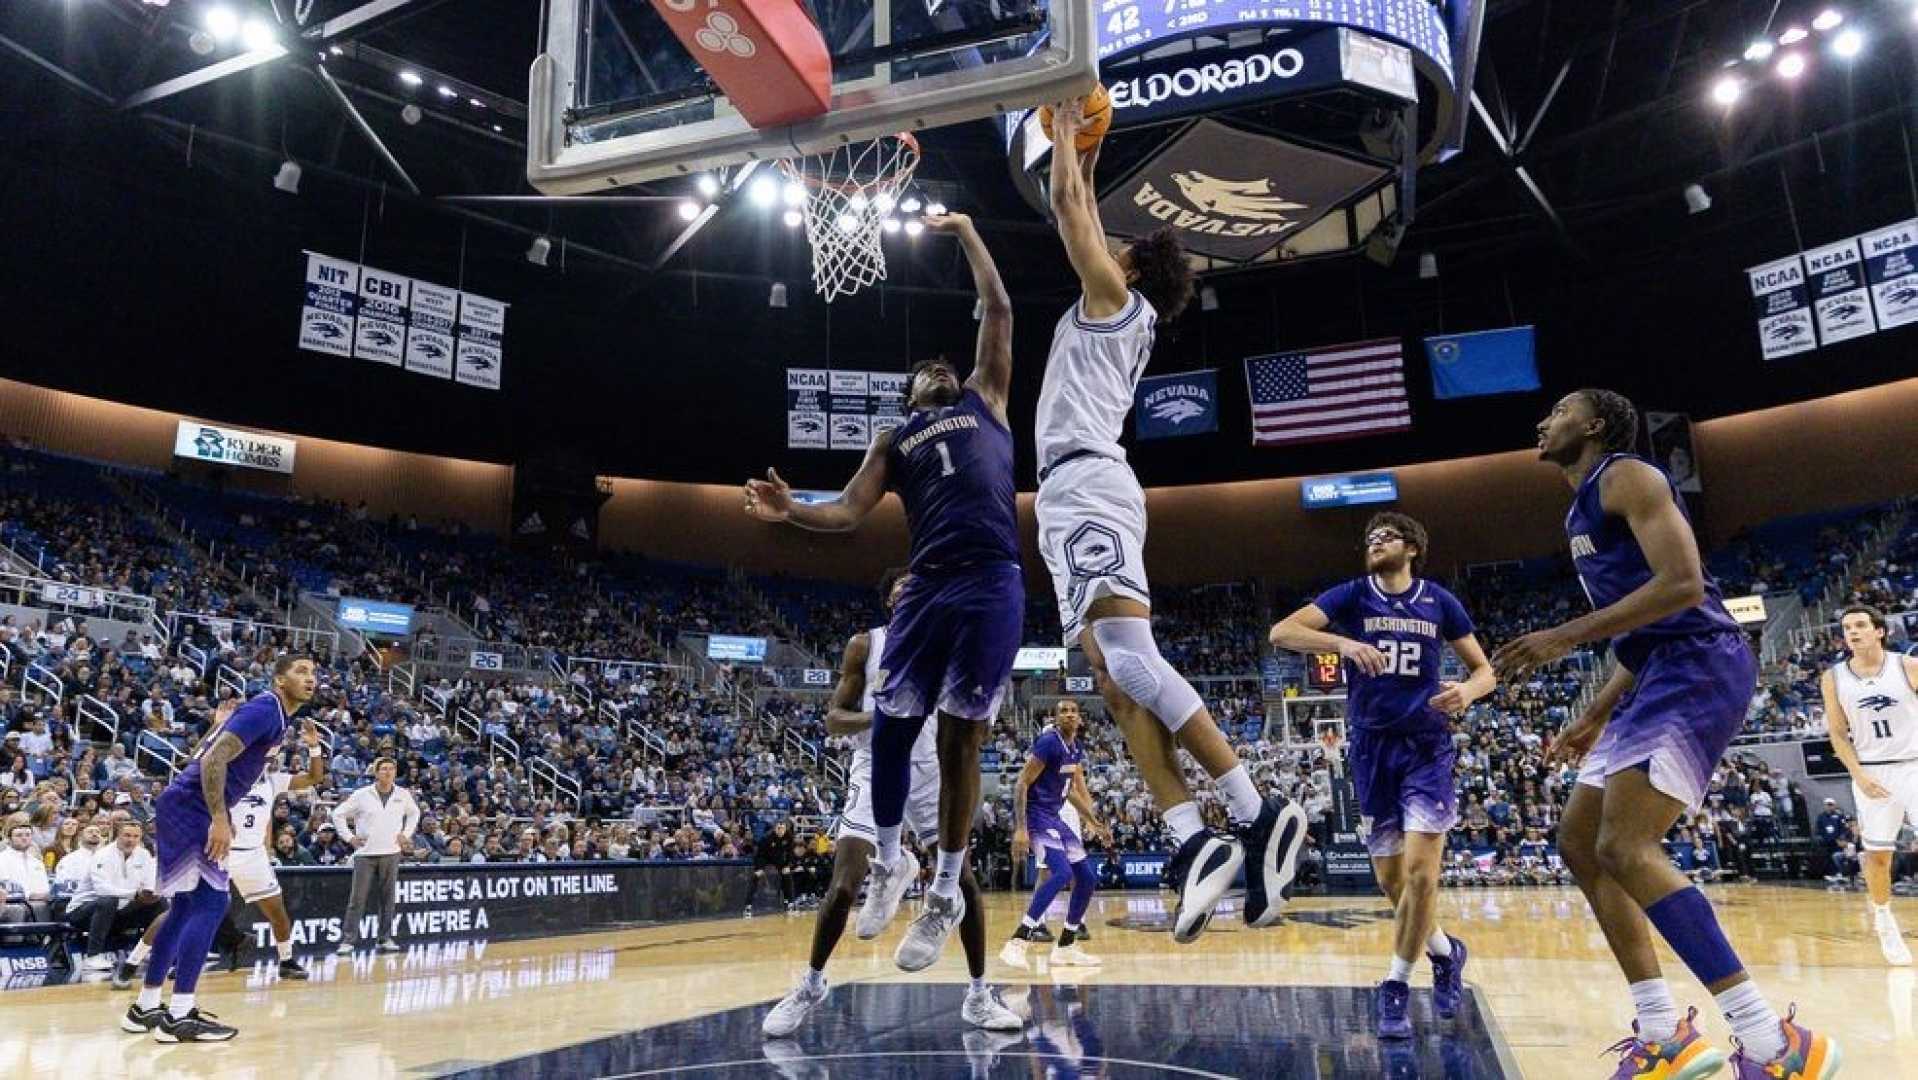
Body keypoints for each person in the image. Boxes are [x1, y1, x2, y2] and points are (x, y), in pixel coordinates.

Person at [1500, 390, 1836, 1079]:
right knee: (1579, 844)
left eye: (1560, 410)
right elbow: (1638, 632)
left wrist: (1564, 636)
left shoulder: (1627, 476)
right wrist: (1592, 717)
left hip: (1701, 663)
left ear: (1593, 425)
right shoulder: (1578, 508)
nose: (1544, 421)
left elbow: (1683, 586)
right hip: (1658, 669)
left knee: (1626, 844)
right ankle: (1664, 1033)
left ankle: (1774, 1043)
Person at [1034, 96, 1304, 942]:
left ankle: (1257, 811)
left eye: (1119, 251)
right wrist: (1076, 146)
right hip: (1067, 498)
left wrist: (1073, 148)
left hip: (1088, 486)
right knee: (1112, 685)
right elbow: (1073, 209)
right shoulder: (1117, 304)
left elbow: (1068, 211)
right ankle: (1194, 840)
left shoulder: (1116, 301)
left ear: (1134, 271)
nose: (1104, 247)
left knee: (1131, 660)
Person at [745, 211, 1022, 973]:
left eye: (945, 363)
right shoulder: (893, 441)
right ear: (909, 397)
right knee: (895, 723)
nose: (939, 367)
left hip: (993, 577)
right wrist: (790, 511)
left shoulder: (985, 400)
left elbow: (997, 309)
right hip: (929, 583)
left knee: (966, 734)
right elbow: (845, 512)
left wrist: (968, 230)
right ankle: (896, 862)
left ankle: (943, 892)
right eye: (925, 370)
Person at [762, 570, 1020, 1038]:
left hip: (929, 772)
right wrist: (887, 714)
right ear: (888, 603)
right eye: (900, 592)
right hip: (872, 763)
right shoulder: (865, 645)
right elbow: (835, 720)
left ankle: (980, 995)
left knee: (962, 881)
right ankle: (811, 984)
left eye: (916, 590)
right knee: (842, 887)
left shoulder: (948, 644)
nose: (908, 596)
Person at [1268, 511, 1495, 1037]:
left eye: (1387, 535)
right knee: (1392, 884)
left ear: (1413, 548)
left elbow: (1485, 669)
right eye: (1369, 537)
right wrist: (1342, 644)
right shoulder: (1351, 595)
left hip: (1426, 747)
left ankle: (1395, 984)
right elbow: (1282, 632)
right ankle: (1445, 952)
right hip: (1371, 750)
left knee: (1420, 876)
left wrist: (1468, 691)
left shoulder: (1441, 601)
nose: (1375, 541)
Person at [118, 654, 315, 1042]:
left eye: (313, 673)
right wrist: (220, 819)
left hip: (181, 804)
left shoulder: (277, 716)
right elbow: (213, 759)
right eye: (301, 671)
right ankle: (179, 1016)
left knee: (187, 906)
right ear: (279, 680)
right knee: (211, 904)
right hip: (195, 809)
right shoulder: (266, 708)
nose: (311, 679)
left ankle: (146, 1006)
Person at [1820, 604, 1918, 965]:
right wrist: (1858, 774)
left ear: (1879, 630)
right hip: (1871, 771)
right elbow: (1836, 732)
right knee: (1878, 856)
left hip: (1913, 765)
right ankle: (1884, 921)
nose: (1853, 632)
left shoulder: (1906, 666)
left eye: (1861, 625)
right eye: (1847, 628)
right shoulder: (1833, 678)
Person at [1002, 700, 1109, 969]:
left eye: (1073, 710)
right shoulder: (1049, 743)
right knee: (1061, 873)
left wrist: (1094, 822)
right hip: (1037, 816)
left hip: (1055, 816)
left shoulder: (1075, 748)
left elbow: (1069, 790)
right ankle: (1019, 941)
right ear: (1055, 717)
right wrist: (1021, 828)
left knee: (1086, 878)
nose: (1069, 714)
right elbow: (1022, 782)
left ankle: (1066, 946)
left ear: (1080, 719)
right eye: (1063, 711)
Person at [226, 715, 327, 978]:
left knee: (278, 913)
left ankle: (286, 960)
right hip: (220, 852)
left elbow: (315, 777)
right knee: (198, 910)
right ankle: (177, 960)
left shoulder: (274, 780)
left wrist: (314, 747)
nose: (267, 757)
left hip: (253, 856)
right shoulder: (227, 773)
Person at [331, 756, 420, 954]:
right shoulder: (362, 794)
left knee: (388, 899)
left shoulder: (403, 794)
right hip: (365, 854)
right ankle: (348, 940)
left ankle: (384, 938)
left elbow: (415, 814)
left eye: (391, 768)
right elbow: (337, 814)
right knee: (357, 899)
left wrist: (405, 835)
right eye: (384, 769)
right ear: (376, 772)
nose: (388, 772)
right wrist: (349, 837)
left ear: (395, 772)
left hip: (391, 852)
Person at [1, 821, 51, 924]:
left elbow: (44, 887)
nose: (24, 838)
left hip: (38, 902)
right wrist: (30, 895)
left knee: (50, 906)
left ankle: (47, 939)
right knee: (19, 909)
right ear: (10, 839)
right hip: (11, 902)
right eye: (19, 835)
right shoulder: (2, 859)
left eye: (28, 835)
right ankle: (15, 940)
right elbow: (5, 887)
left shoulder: (37, 862)